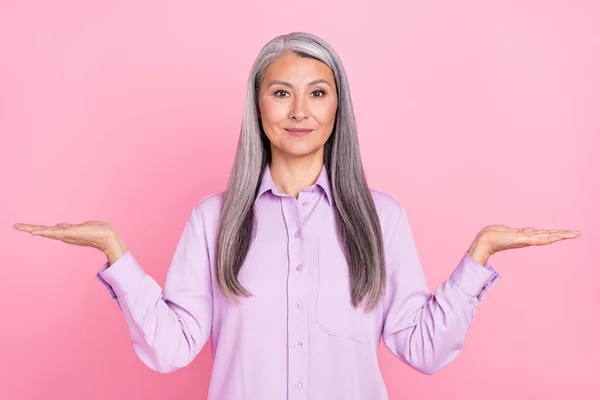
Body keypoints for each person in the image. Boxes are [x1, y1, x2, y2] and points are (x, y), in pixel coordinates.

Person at [12, 31, 581, 400]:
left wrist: (478, 256)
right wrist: (114, 250)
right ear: (258, 106)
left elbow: (423, 350)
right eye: (281, 93)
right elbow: (171, 347)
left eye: (318, 93)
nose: (300, 111)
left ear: (339, 107)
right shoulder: (214, 220)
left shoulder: (382, 219)